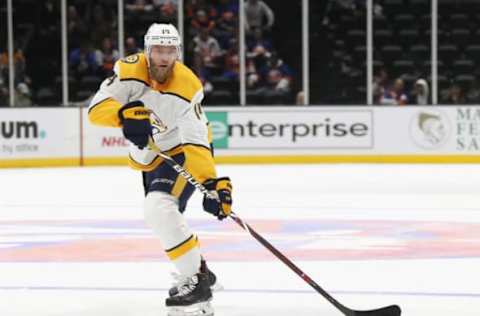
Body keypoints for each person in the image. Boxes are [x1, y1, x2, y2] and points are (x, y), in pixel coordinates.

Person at [87, 23, 232, 316]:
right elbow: (95, 111)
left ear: (177, 53)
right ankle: (199, 269)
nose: (164, 57)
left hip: (181, 151)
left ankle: (197, 283)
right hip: (150, 155)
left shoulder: (188, 86)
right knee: (159, 213)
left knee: (159, 208)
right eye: (157, 50)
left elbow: (196, 140)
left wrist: (211, 182)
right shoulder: (128, 72)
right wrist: (122, 114)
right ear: (146, 50)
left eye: (170, 51)